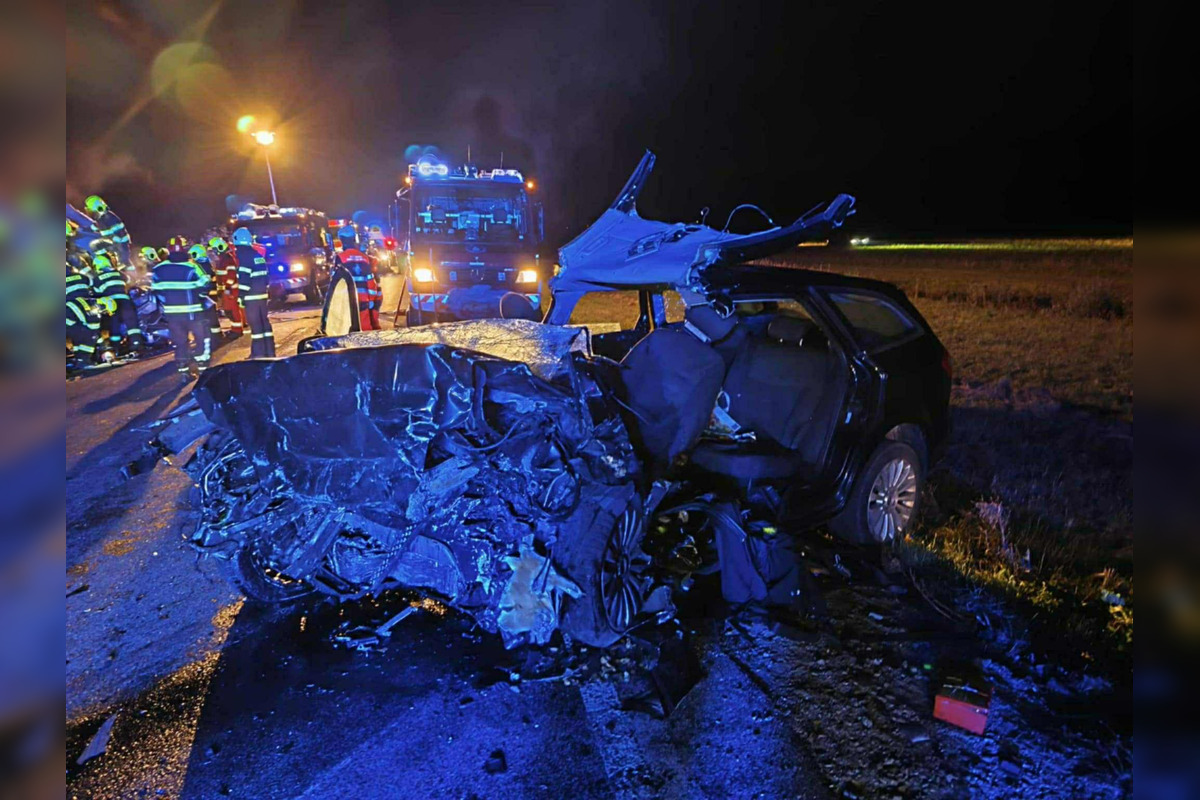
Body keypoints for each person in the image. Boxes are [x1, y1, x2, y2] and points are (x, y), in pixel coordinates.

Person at [152, 235, 212, 378]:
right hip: (194, 312)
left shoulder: (158, 269)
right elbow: (205, 284)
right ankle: (203, 369)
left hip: (172, 314)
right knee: (202, 338)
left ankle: (184, 371)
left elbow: (157, 290)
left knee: (180, 342)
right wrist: (199, 295)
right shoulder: (191, 266)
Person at [232, 227, 275, 357]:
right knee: (264, 325)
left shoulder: (244, 257)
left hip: (251, 298)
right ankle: (269, 352)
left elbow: (244, 279)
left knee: (256, 327)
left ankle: (258, 354)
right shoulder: (258, 256)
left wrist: (241, 297)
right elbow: (266, 278)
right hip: (262, 296)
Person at [91, 253, 143, 353]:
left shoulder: (97, 279)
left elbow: (96, 294)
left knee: (114, 325)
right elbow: (129, 281)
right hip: (125, 301)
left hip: (112, 305)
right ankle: (136, 344)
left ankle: (116, 348)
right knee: (132, 323)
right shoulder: (119, 273)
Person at [335, 225, 382, 330]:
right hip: (363, 301)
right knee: (365, 332)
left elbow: (335, 284)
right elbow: (371, 281)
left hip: (346, 302)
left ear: (342, 240)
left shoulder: (340, 258)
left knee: (347, 332)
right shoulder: (364, 258)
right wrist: (371, 302)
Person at [66, 263, 100, 370]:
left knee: (79, 332)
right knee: (89, 332)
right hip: (77, 310)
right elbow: (94, 281)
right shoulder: (83, 277)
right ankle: (83, 360)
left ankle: (79, 360)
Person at [208, 236, 243, 337]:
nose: (214, 252)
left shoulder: (227, 258)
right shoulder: (223, 258)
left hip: (230, 290)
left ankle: (237, 331)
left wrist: (227, 288)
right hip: (226, 290)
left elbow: (231, 275)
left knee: (232, 311)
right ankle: (234, 329)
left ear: (219, 247)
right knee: (229, 311)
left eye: (215, 249)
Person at [84, 195, 132, 265]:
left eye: (90, 210)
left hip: (119, 246)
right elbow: (96, 227)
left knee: (94, 245)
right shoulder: (105, 217)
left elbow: (112, 236)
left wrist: (119, 253)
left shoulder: (105, 218)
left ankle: (107, 262)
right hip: (120, 245)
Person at [189, 243, 223, 341]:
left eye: (193, 254)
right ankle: (216, 335)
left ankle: (213, 337)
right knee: (211, 317)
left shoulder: (200, 265)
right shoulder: (207, 263)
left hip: (206, 294)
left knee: (207, 318)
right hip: (210, 294)